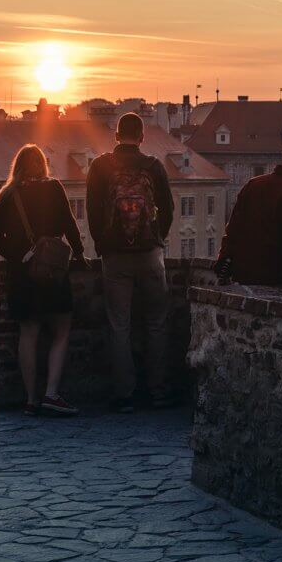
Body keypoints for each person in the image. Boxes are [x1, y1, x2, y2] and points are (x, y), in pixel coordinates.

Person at [0, 143, 87, 417]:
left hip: (23, 273)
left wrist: (18, 256)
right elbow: (70, 225)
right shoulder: (54, 188)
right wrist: (79, 254)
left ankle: (31, 399)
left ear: (17, 166)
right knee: (61, 329)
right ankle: (51, 394)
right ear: (42, 164)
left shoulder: (9, 195)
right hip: (53, 271)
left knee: (28, 333)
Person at [86, 112, 174, 413]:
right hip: (150, 254)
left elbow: (92, 211)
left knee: (119, 326)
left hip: (115, 257)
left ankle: (124, 395)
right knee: (157, 323)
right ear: (142, 137)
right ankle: (159, 391)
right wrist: (157, 238)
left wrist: (102, 243)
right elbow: (169, 208)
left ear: (116, 135)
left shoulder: (100, 166)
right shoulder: (153, 166)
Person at [214, 137, 282, 288]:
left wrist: (223, 264)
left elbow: (233, 231)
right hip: (275, 281)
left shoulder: (253, 184)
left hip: (241, 278)